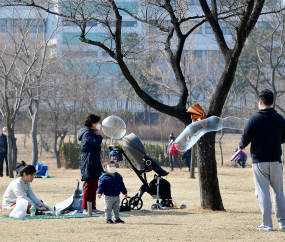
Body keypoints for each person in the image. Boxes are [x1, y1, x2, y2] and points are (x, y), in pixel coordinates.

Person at [239, 89, 285, 231]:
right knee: (279, 192)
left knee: (263, 192)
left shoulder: (254, 119)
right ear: (272, 102)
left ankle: (267, 224)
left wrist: (241, 146)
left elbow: (244, 140)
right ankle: (283, 223)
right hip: (276, 161)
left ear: (260, 102)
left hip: (260, 162)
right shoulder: (280, 119)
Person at [78, 114, 103, 213]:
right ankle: (85, 208)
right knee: (89, 185)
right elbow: (96, 143)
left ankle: (93, 208)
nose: (98, 124)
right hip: (89, 161)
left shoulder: (92, 132)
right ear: (92, 124)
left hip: (94, 160)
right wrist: (100, 135)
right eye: (97, 123)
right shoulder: (87, 133)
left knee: (94, 185)